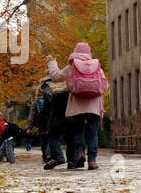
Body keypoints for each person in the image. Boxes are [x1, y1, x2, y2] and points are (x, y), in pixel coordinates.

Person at [46, 43, 108, 171]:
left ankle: (80, 153)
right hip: (93, 106)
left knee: (78, 131)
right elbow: (104, 85)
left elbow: (56, 77)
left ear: (75, 51)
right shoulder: (96, 66)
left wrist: (52, 63)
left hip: (77, 106)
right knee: (92, 134)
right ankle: (92, 161)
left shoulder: (72, 66)